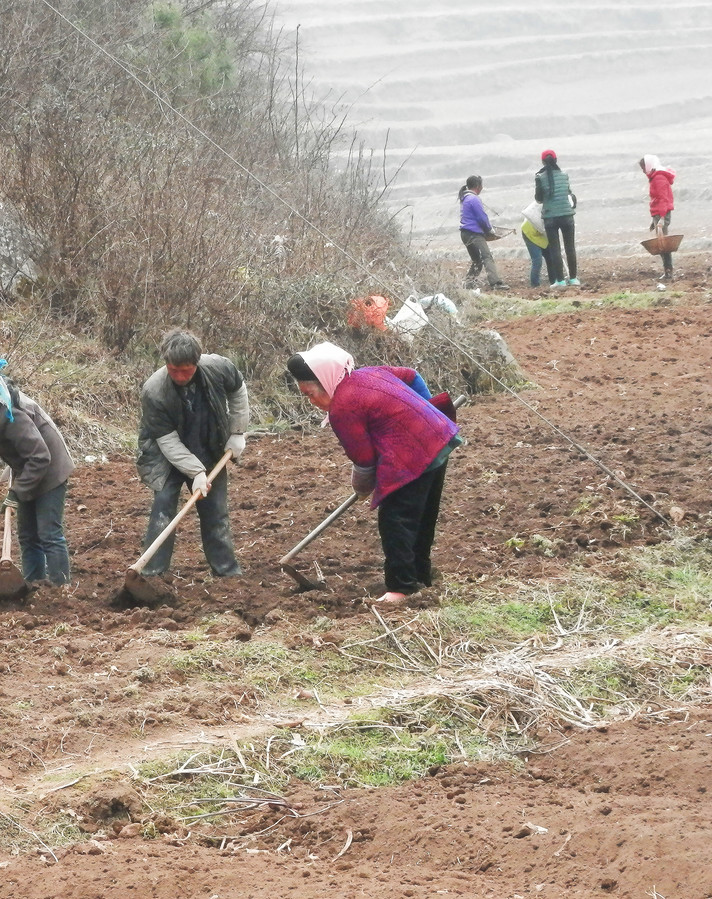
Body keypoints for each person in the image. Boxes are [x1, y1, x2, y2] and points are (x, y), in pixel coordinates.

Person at [286, 343, 461, 604]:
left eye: (311, 393)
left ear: (325, 380)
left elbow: (364, 460)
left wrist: (361, 488)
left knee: (396, 520)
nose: (311, 402)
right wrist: (427, 410)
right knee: (422, 516)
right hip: (439, 439)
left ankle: (401, 588)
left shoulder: (343, 407)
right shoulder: (370, 373)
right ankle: (420, 575)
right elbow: (411, 375)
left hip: (412, 455)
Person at [136, 329, 249, 577]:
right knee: (163, 509)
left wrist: (237, 430)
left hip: (209, 445)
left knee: (216, 512)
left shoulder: (219, 368)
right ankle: (152, 574)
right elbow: (167, 441)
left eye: (186, 370)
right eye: (173, 369)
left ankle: (227, 573)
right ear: (166, 362)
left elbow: (237, 389)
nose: (179, 376)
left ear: (197, 362)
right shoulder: (154, 391)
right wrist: (195, 471)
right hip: (166, 457)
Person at [0, 358, 74, 585]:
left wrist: (17, 492)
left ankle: (62, 589)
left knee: (48, 533)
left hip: (50, 469)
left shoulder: (13, 416)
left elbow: (40, 456)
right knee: (27, 535)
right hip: (27, 468)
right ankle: (33, 583)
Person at [534, 150, 579, 287]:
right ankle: (573, 279)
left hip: (550, 217)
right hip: (567, 216)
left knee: (555, 250)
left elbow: (539, 199)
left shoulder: (540, 178)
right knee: (570, 248)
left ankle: (560, 281)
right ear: (556, 160)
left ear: (543, 162)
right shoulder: (564, 176)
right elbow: (569, 194)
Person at [457, 175, 508, 291]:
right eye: (481, 185)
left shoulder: (465, 198)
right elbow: (482, 218)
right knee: (487, 257)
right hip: (474, 234)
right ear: (478, 186)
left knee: (477, 261)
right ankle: (495, 283)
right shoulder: (474, 199)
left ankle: (468, 285)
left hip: (465, 234)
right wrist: (489, 230)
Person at [639, 154, 676, 279]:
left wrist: (661, 218)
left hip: (661, 213)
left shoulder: (658, 178)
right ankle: (667, 270)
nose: (643, 171)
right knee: (662, 243)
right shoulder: (655, 177)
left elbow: (663, 200)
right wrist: (654, 219)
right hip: (659, 213)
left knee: (663, 243)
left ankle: (668, 271)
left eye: (644, 167)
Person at [520, 200, 548, 288]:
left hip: (540, 232)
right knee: (537, 259)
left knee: (550, 257)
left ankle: (554, 279)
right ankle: (535, 284)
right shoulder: (550, 206)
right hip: (529, 231)